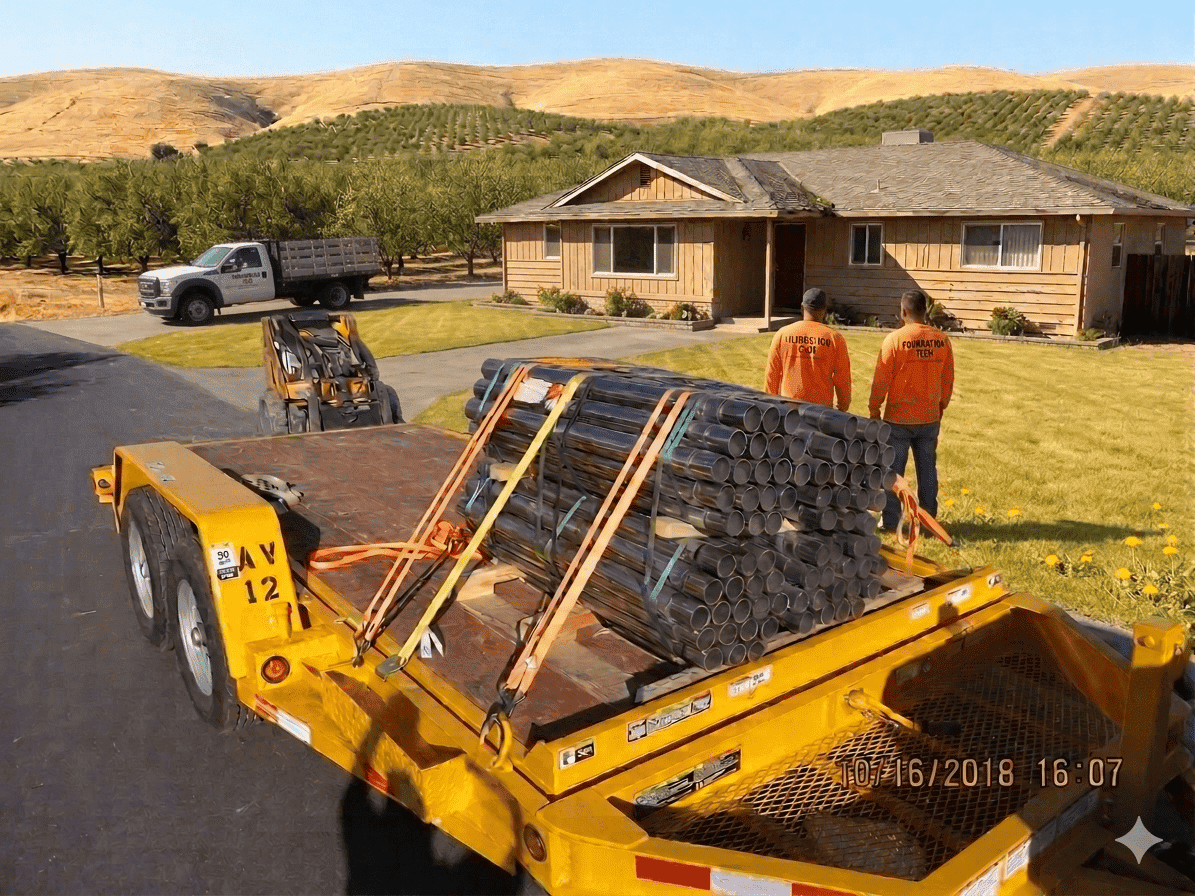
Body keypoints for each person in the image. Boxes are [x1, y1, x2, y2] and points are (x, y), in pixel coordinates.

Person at [868, 289, 954, 533]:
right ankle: (929, 522)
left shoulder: (895, 340)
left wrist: (875, 408)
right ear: (925, 310)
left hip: (898, 418)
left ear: (903, 311)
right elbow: (948, 380)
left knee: (895, 474)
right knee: (927, 469)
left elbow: (881, 380)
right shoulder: (942, 340)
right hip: (929, 416)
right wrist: (941, 405)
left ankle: (891, 522)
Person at [764, 288, 851, 411]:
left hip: (788, 408)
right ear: (824, 310)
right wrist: (843, 407)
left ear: (802, 308)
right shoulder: (835, 339)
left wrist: (770, 404)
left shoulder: (783, 334)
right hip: (821, 411)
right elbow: (843, 379)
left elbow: (771, 374)